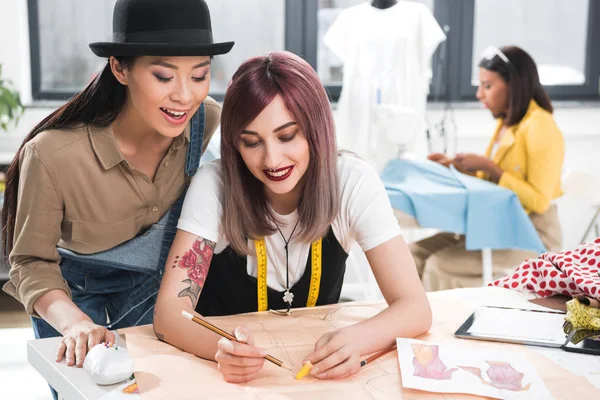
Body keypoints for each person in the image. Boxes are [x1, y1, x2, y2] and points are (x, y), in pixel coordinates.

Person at [153, 51, 431, 383]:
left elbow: (415, 307)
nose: (272, 159)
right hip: (227, 381)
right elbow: (169, 314)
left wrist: (359, 338)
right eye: (251, 143)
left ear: (318, 129)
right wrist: (221, 347)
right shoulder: (214, 186)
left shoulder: (353, 181)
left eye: (287, 136)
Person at [1, 0, 233, 377]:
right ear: (119, 68)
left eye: (199, 75)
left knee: (160, 384)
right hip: (70, 289)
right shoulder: (52, 156)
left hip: (150, 281)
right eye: (163, 76)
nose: (185, 96)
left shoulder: (202, 119)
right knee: (85, 385)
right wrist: (75, 324)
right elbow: (30, 263)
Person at [414, 45, 564, 291]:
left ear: (513, 85)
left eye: (487, 86)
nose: (479, 94)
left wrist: (491, 168)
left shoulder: (541, 127)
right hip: (494, 225)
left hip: (531, 235)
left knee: (439, 265)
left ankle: (438, 326)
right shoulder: (507, 124)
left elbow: (538, 200)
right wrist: (457, 166)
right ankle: (403, 323)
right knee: (412, 254)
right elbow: (493, 183)